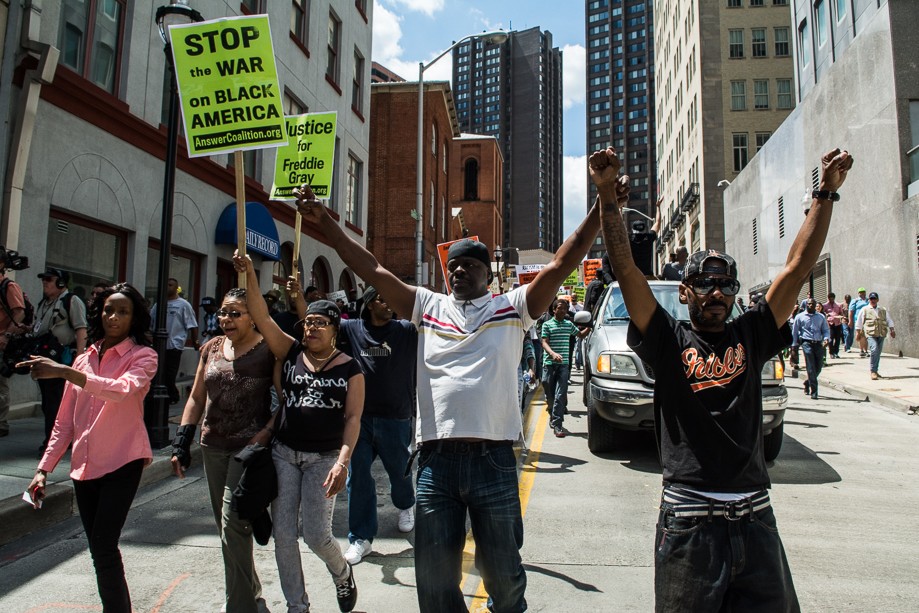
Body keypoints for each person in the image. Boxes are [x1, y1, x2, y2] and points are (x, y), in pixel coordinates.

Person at [294, 169, 628, 612]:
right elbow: (369, 266)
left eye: (469, 265)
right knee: (434, 582)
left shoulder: (513, 307)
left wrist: (603, 202)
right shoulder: (426, 306)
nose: (458, 272)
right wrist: (325, 222)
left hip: (494, 461)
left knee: (505, 579)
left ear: (487, 274)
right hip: (436, 465)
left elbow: (563, 262)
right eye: (452, 266)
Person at [594, 144, 853, 611]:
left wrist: (825, 193)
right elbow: (628, 270)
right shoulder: (666, 338)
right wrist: (607, 196)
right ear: (686, 291)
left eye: (727, 285)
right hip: (689, 525)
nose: (717, 293)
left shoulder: (752, 333)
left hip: (756, 520)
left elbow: (795, 270)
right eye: (706, 284)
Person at [236, 255, 362, 613]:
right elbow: (261, 315)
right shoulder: (290, 351)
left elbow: (353, 418)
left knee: (317, 536)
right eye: (308, 323)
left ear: (335, 329)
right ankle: (297, 606)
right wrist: (249, 276)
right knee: (284, 536)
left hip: (324, 459)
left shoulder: (351, 369)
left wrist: (342, 462)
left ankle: (341, 572)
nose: (312, 329)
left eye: (320, 323)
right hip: (284, 454)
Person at [25, 283, 158, 613]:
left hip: (122, 462)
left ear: (134, 318)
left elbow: (120, 390)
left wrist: (63, 370)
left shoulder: (144, 357)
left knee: (103, 544)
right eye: (109, 310)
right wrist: (43, 470)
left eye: (123, 312)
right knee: (99, 549)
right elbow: (64, 422)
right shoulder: (85, 358)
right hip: (84, 467)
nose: (114, 317)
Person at [171, 288, 275, 613]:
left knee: (233, 525)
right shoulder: (211, 347)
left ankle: (240, 606)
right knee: (226, 529)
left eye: (235, 313)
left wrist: (264, 437)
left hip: (248, 451)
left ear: (253, 316)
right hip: (212, 445)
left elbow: (284, 404)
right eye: (223, 313)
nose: (226, 319)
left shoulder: (268, 349)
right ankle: (251, 589)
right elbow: (196, 397)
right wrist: (182, 440)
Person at [333, 286, 418, 566]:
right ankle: (360, 537)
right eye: (383, 298)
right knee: (357, 477)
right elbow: (320, 319)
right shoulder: (352, 329)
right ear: (369, 304)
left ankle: (406, 505)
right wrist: (296, 296)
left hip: (396, 417)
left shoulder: (406, 330)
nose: (389, 303)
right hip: (359, 419)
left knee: (400, 473)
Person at [34, 267, 88, 455]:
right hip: (45, 359)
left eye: (49, 279)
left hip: (62, 360)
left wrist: (80, 360)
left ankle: (54, 442)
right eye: (44, 279)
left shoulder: (71, 300)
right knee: (49, 402)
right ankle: (56, 439)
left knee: (55, 403)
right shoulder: (45, 302)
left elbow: (81, 329)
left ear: (61, 282)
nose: (45, 282)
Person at [542, 297, 590, 437]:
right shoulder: (547, 325)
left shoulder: (569, 324)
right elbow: (544, 342)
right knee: (548, 389)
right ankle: (551, 410)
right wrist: (552, 353)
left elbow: (580, 335)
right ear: (554, 310)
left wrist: (590, 326)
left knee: (560, 394)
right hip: (549, 364)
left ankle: (558, 424)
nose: (563, 311)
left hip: (563, 365)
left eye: (565, 308)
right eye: (560, 308)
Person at [149, 277, 197, 404]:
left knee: (170, 373)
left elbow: (192, 325)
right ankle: (163, 395)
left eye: (170, 285)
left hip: (174, 345)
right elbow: (151, 323)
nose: (167, 287)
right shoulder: (158, 304)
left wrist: (195, 341)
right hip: (159, 344)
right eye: (165, 285)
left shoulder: (184, 305)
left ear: (176, 288)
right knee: (159, 372)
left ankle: (172, 396)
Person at [0, 252, 27, 437]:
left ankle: (1, 424)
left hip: (1, 341)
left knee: (0, 385)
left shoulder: (9, 286)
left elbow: (19, 313)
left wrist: (6, 336)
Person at [792, 298, 830, 399]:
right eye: (808, 304)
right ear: (805, 305)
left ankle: (807, 382)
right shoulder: (800, 317)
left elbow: (825, 330)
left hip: (818, 343)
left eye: (812, 304)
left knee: (819, 366)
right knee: (811, 366)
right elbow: (795, 332)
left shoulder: (821, 317)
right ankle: (814, 391)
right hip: (806, 343)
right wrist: (794, 346)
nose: (810, 306)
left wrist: (826, 339)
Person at [855, 291, 895, 380]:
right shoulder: (864, 309)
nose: (873, 300)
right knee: (874, 349)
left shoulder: (882, 310)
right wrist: (858, 333)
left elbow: (889, 320)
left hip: (881, 334)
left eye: (874, 299)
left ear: (877, 300)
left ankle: (876, 370)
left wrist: (892, 330)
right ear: (869, 300)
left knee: (878, 352)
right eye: (871, 299)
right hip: (870, 334)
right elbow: (859, 322)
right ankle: (873, 371)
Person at [822, 293, 845, 359]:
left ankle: (836, 352)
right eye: (830, 298)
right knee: (831, 338)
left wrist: (841, 317)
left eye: (832, 298)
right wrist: (827, 315)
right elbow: (823, 313)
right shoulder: (825, 305)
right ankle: (831, 352)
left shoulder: (838, 305)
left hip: (837, 323)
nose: (831, 299)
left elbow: (841, 313)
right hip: (830, 323)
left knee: (837, 339)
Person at [848, 287, 870, 357]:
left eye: (863, 292)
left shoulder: (868, 301)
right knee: (860, 335)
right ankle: (861, 350)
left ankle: (866, 350)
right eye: (861, 292)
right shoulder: (855, 301)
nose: (862, 293)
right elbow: (851, 311)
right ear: (858, 293)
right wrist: (850, 321)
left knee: (866, 336)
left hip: (867, 320)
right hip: (858, 320)